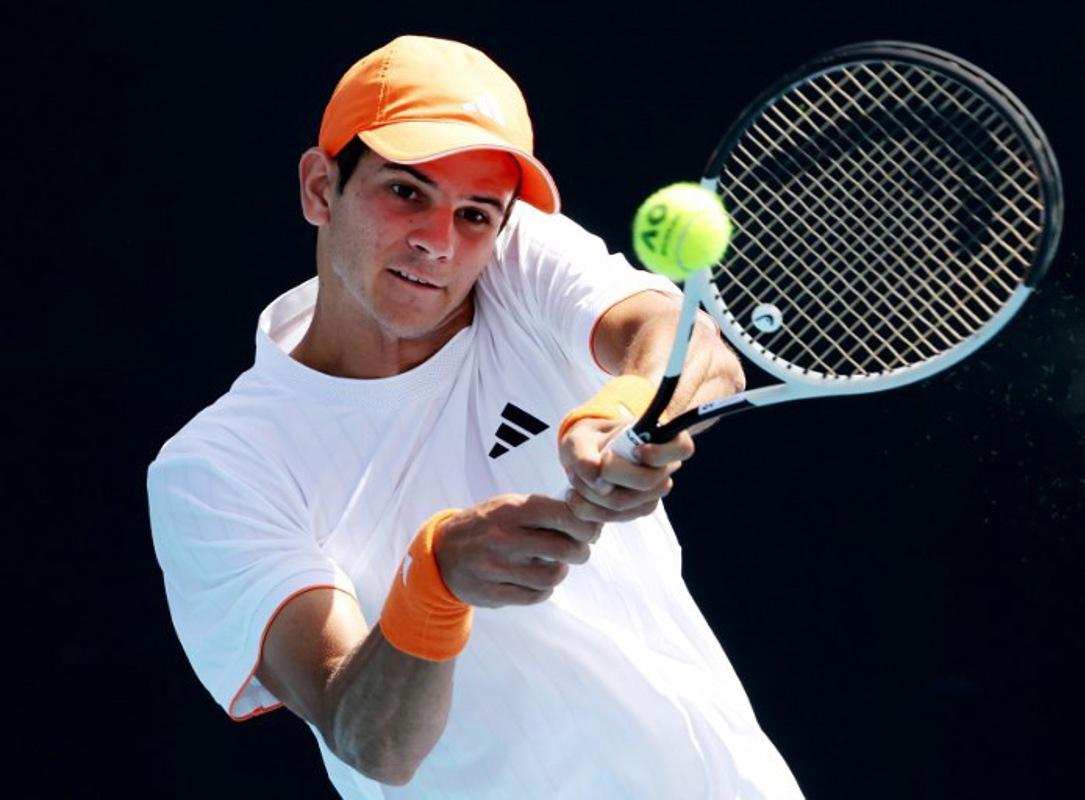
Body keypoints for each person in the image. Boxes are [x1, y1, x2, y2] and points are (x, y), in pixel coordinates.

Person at [147, 35, 804, 799]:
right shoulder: (218, 468)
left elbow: (693, 350)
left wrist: (627, 409)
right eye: (405, 192)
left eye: (475, 213)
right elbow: (370, 741)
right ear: (321, 187)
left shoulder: (515, 257)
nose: (438, 241)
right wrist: (433, 581)